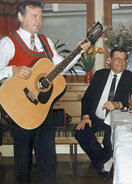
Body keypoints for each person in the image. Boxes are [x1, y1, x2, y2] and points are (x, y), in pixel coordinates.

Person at [0, 1, 90, 183]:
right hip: (20, 112)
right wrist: (12, 70)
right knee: (22, 166)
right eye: (34, 16)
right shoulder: (8, 43)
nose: (39, 20)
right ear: (20, 17)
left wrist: (78, 52)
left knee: (48, 163)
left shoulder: (45, 42)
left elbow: (59, 68)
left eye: (41, 17)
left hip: (43, 110)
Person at [75, 47, 132, 180]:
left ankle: (104, 168)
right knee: (80, 131)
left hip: (114, 120)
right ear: (110, 60)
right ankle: (105, 160)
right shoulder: (100, 75)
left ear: (127, 62)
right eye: (117, 58)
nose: (120, 62)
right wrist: (85, 116)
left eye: (123, 59)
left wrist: (119, 104)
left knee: (109, 136)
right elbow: (87, 98)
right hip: (95, 118)